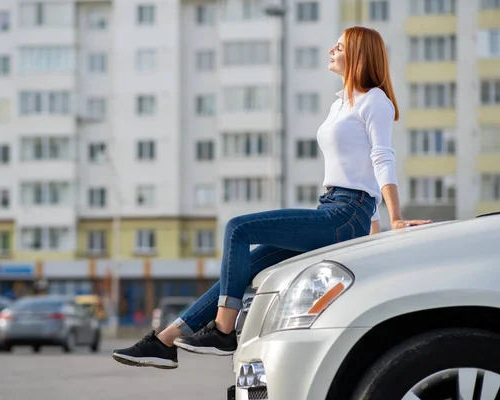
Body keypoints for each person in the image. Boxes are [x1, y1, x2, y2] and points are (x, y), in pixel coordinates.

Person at [112, 26, 433, 370]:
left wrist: (394, 217)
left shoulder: (375, 102)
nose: (331, 51)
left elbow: (381, 158)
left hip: (344, 213)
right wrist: (373, 230)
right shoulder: (339, 104)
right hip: (335, 209)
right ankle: (166, 340)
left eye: (338, 47)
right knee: (249, 263)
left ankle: (223, 329)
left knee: (238, 228)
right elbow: (359, 167)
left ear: (358, 55)